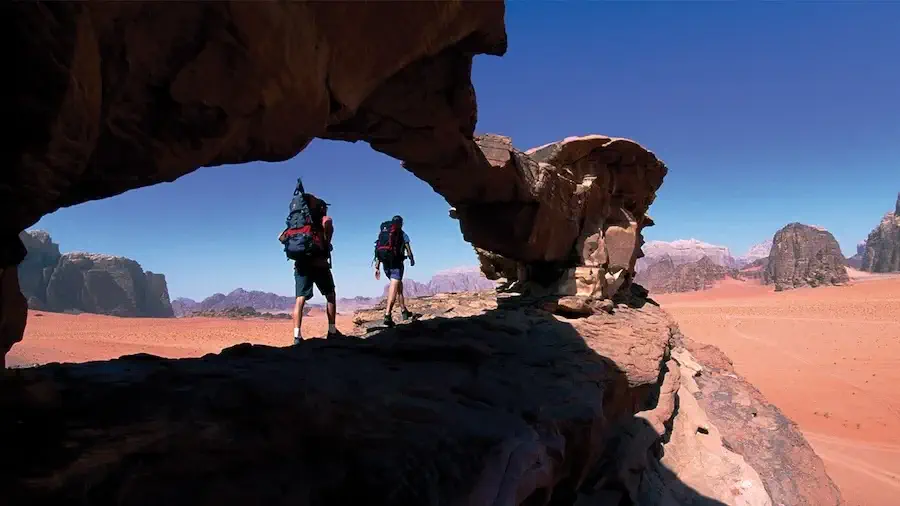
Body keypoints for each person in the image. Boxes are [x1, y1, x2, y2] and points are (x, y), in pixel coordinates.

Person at [278, 196, 339, 343]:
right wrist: (326, 240)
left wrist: (297, 244)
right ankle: (332, 331)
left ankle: (297, 336)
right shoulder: (320, 221)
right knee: (330, 295)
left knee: (300, 300)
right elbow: (328, 221)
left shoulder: (297, 226)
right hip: (319, 263)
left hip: (301, 264)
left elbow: (280, 237)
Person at [373, 215, 416, 327]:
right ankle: (387, 315)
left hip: (385, 264)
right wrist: (411, 258)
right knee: (394, 288)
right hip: (396, 264)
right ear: (401, 223)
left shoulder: (384, 233)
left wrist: (377, 267)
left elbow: (378, 249)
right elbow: (408, 248)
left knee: (399, 288)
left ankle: (404, 311)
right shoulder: (402, 234)